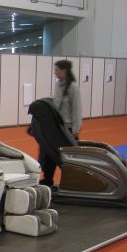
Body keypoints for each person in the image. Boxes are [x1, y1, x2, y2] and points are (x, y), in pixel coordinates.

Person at [39, 59, 82, 187]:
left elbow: (77, 110)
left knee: (67, 158)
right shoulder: (58, 85)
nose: (55, 72)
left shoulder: (73, 87)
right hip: (56, 127)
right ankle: (47, 180)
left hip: (68, 129)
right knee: (49, 155)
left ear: (64, 70)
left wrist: (75, 130)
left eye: (57, 70)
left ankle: (71, 183)